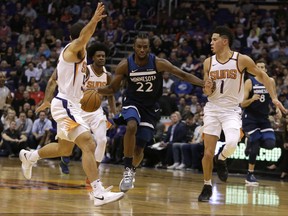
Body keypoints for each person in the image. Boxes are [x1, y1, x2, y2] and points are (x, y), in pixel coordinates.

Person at [19, 3, 124, 207]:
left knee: (64, 149)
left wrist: (47, 100)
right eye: (85, 38)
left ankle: (30, 156)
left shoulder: (78, 58)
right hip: (66, 104)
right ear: (77, 39)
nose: (87, 40)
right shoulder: (72, 50)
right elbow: (83, 38)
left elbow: (54, 79)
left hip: (71, 105)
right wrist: (93, 20)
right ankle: (98, 192)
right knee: (89, 143)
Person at [97, 32, 205, 193]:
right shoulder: (125, 65)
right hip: (132, 103)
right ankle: (127, 168)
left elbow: (182, 74)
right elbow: (112, 88)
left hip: (151, 108)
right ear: (134, 47)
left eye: (145, 47)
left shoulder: (158, 63)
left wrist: (203, 83)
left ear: (149, 47)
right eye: (139, 46)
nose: (142, 50)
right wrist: (93, 89)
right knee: (131, 125)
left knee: (139, 149)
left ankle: (132, 169)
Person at [198, 26, 287, 202]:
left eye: (214, 39)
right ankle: (207, 185)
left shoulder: (241, 60)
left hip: (231, 109)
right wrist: (206, 89)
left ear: (225, 41)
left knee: (232, 143)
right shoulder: (208, 62)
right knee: (207, 153)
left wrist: (275, 98)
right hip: (212, 108)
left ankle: (221, 159)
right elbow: (207, 90)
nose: (211, 42)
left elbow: (264, 77)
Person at [59, 42, 116, 175]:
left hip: (96, 111)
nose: (101, 58)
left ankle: (93, 172)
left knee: (102, 140)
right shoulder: (86, 71)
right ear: (93, 57)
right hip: (79, 109)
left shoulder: (107, 75)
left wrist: (113, 113)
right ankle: (64, 158)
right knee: (71, 141)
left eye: (103, 56)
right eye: (98, 56)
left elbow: (111, 94)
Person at [241, 60, 281, 185]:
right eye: (257, 67)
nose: (260, 69)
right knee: (256, 144)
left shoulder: (271, 81)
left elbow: (274, 98)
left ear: (266, 69)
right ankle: (250, 175)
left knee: (270, 144)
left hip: (263, 119)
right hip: (250, 118)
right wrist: (252, 99)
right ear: (253, 69)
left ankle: (250, 142)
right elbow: (242, 103)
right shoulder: (249, 82)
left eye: (262, 67)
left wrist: (278, 109)